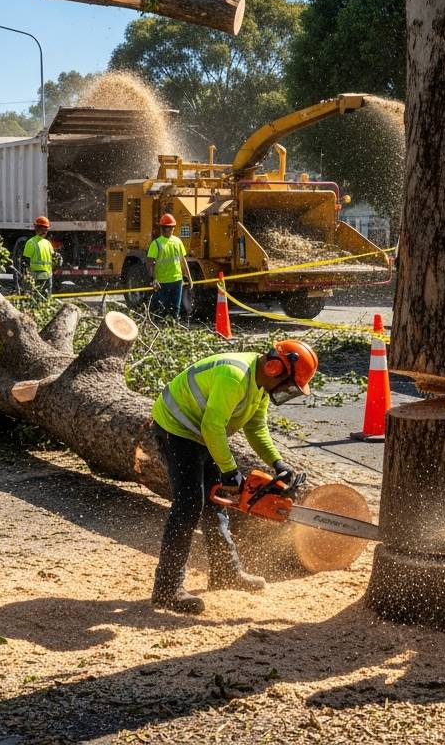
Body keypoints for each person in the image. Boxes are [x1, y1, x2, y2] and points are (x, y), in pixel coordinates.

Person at [150, 339, 319, 614]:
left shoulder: (260, 384)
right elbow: (212, 426)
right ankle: (167, 589)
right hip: (178, 429)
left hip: (202, 432)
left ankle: (225, 572)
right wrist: (230, 470)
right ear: (276, 368)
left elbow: (256, 427)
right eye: (289, 385)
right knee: (190, 504)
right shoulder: (235, 376)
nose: (287, 391)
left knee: (215, 502)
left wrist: (277, 463)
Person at [146, 213, 191, 318]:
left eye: (170, 228)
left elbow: (183, 261)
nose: (168, 230)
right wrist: (153, 279)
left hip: (176, 281)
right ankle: (165, 327)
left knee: (175, 310)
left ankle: (172, 326)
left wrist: (189, 277)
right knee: (165, 310)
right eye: (167, 228)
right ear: (162, 229)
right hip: (162, 282)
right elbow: (149, 262)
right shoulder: (156, 244)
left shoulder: (177, 242)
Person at [21, 216, 56, 297]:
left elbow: (25, 261)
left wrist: (26, 276)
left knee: (36, 299)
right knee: (46, 299)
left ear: (36, 228)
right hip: (48, 276)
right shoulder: (48, 243)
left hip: (36, 276)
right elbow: (55, 259)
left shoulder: (31, 242)